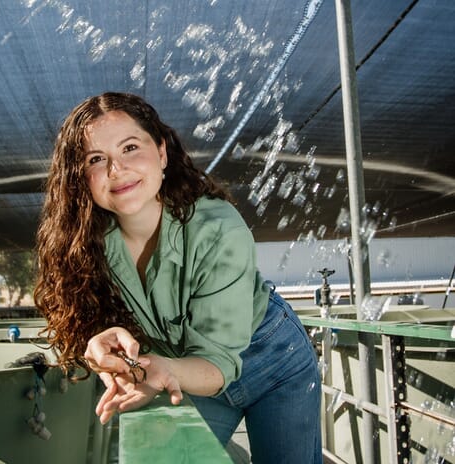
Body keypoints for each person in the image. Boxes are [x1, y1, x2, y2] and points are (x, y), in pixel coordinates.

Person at [34, 91, 321, 463]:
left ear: (162, 152)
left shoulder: (218, 228)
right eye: (96, 159)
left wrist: (159, 368)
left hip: (273, 360)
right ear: (79, 178)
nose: (116, 170)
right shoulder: (82, 244)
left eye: (130, 147)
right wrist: (102, 351)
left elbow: (218, 363)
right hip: (180, 370)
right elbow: (95, 331)